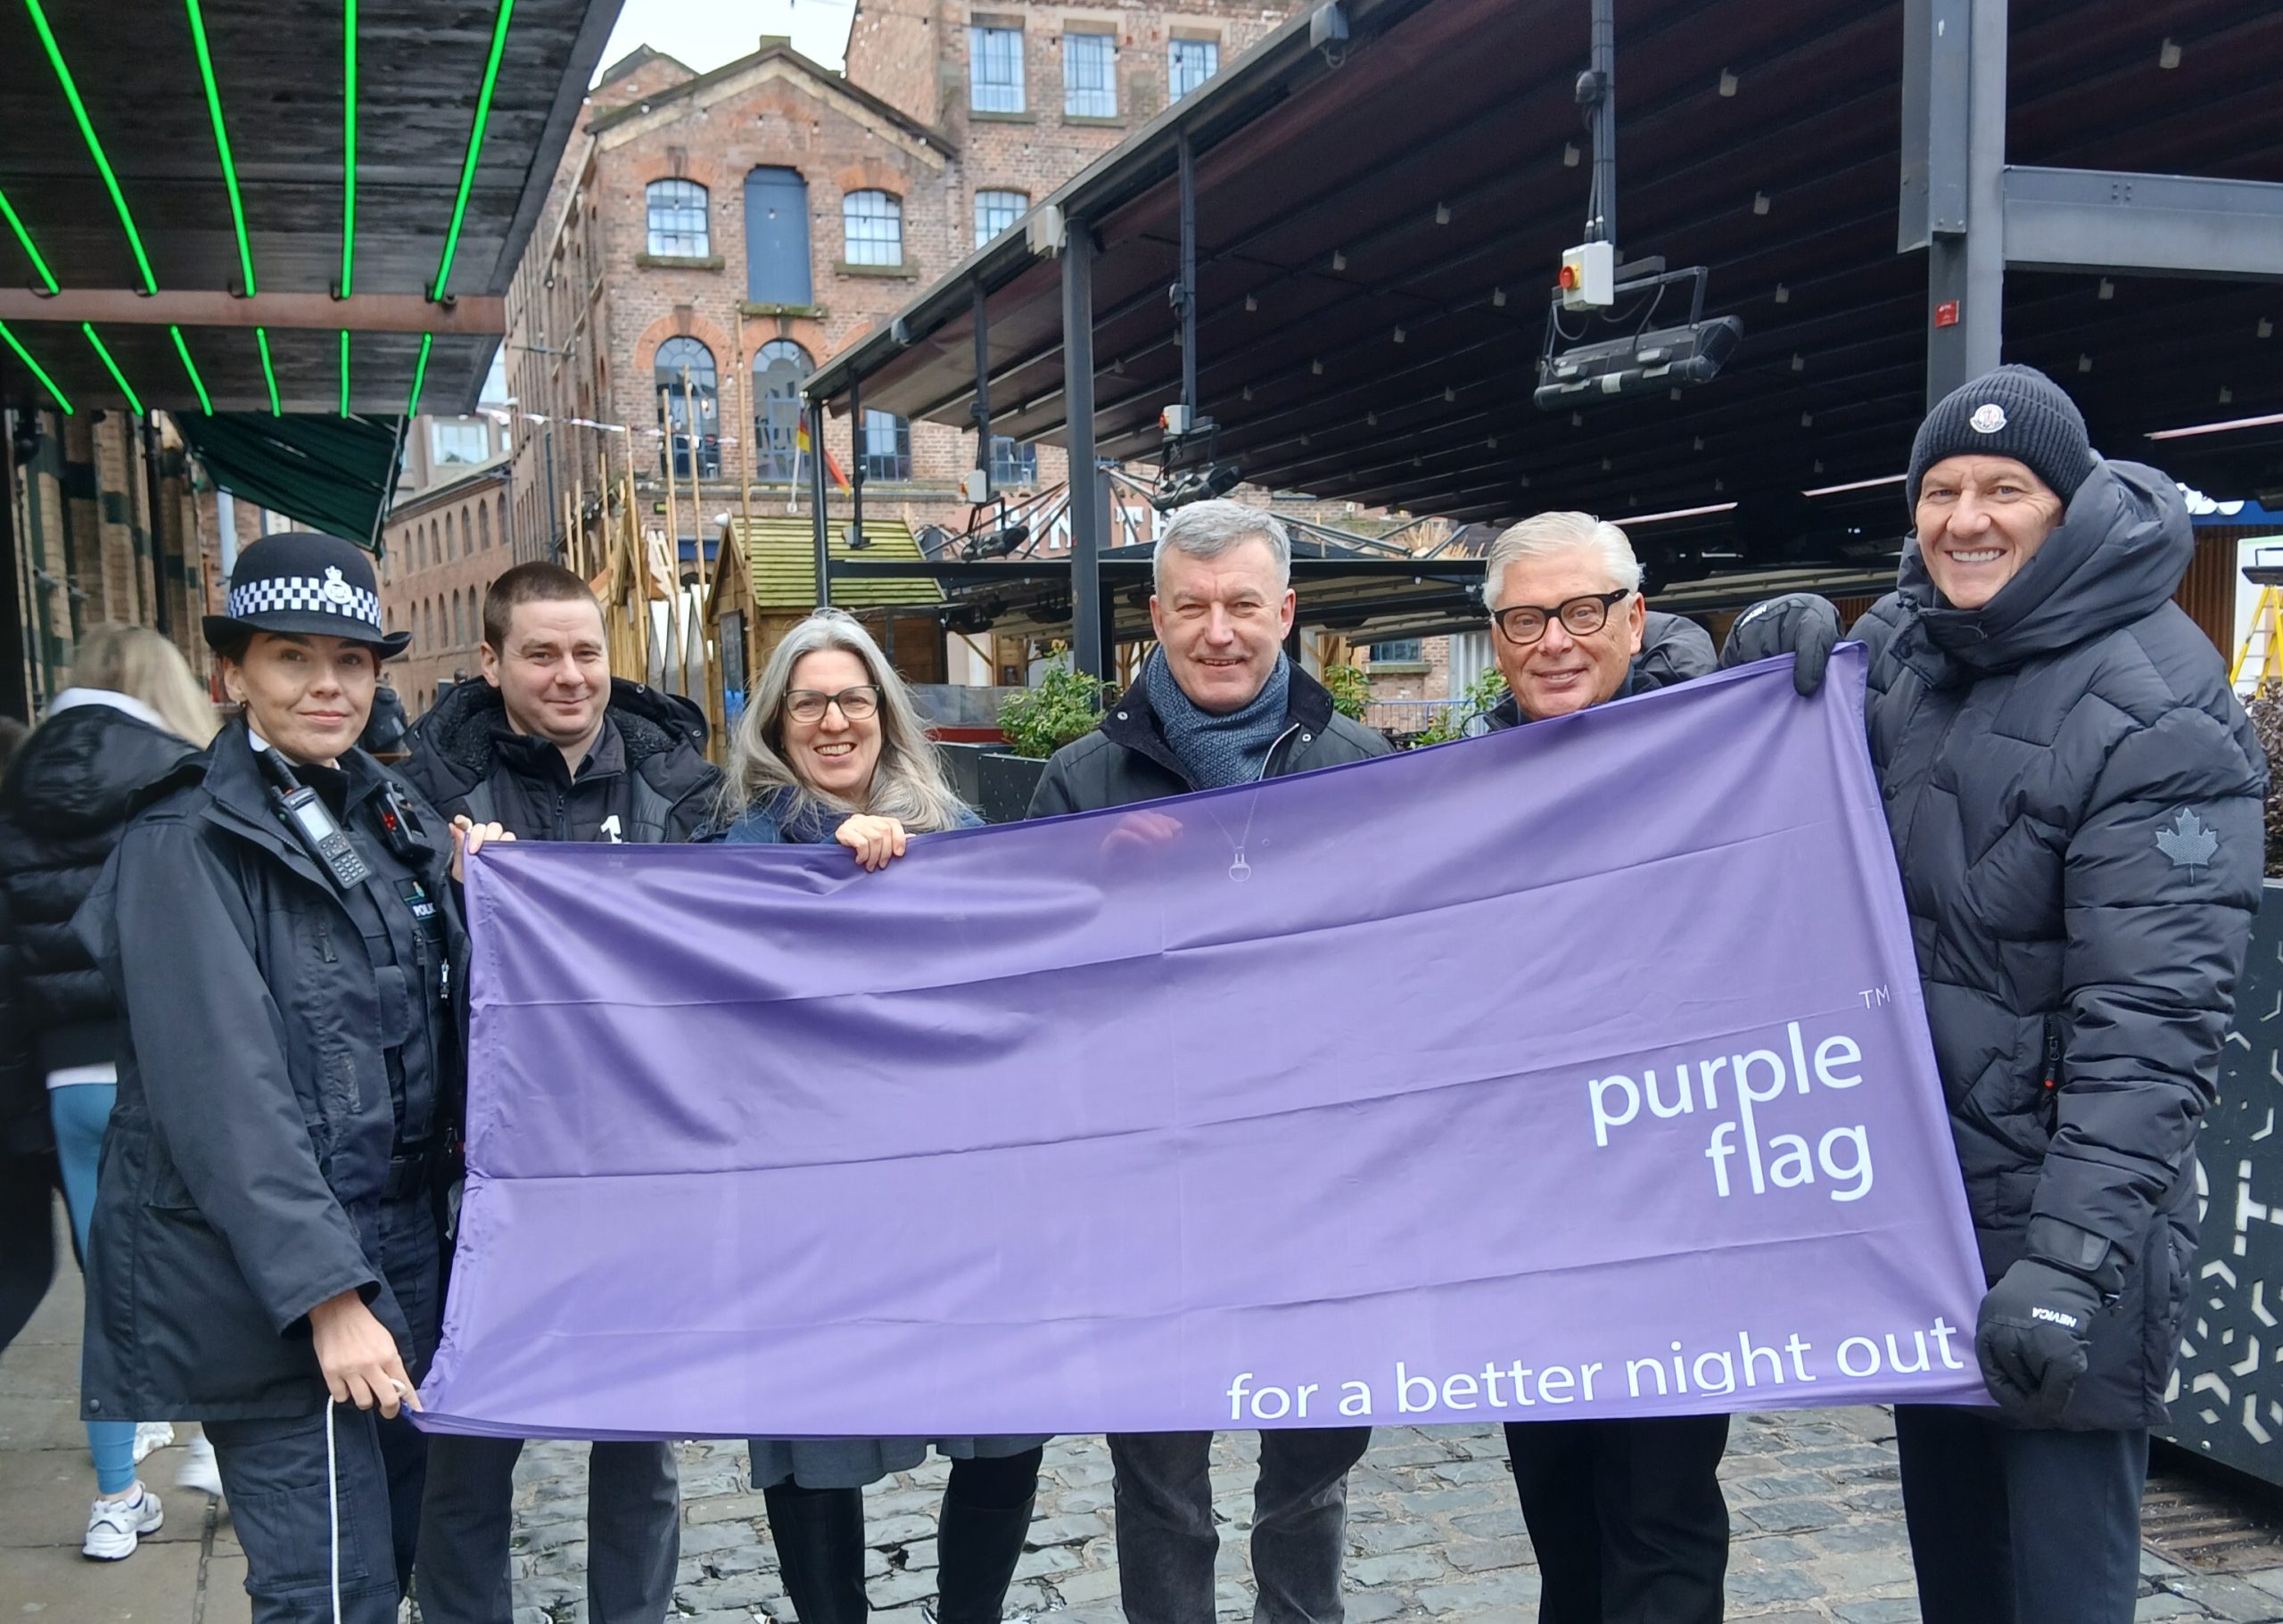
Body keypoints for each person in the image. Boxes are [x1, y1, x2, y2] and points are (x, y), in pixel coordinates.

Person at [1721, 364, 2266, 1623]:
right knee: (1960, 1583)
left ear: (2064, 504)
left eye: (2004, 488)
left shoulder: (2156, 702)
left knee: (2061, 1593)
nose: (1966, 516)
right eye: (1942, 490)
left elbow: (2155, 1028)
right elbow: (1777, 796)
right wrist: (1758, 657)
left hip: (2065, 1238)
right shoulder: (1911, 649)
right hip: (1925, 1220)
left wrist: (2069, 1268)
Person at [74, 532, 508, 1624]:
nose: (328, 684)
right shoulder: (186, 840)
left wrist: (486, 898)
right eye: (291, 658)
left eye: (352, 661)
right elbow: (223, 1100)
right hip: (269, 1285)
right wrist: (327, 1295)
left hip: (404, 1247)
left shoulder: (388, 814)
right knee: (331, 1588)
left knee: (396, 1557)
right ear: (232, 675)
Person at [1026, 500, 1388, 1624]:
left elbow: (1407, 972)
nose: (1218, 630)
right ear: (1155, 617)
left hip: (1320, 1182)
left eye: (1242, 605)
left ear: (1286, 612)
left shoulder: (1364, 768)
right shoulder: (1079, 786)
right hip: (1149, 1192)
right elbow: (1027, 1001)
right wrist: (1099, 898)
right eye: (1192, 606)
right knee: (1162, 1482)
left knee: (1312, 1475)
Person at [707, 607, 1044, 1622]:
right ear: (775, 722)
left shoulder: (964, 842)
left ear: (886, 714)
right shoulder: (735, 855)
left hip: (960, 1194)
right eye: (807, 703)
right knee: (814, 1437)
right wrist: (815, 854)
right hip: (810, 1209)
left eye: (853, 698)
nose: (833, 721)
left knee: (1009, 1420)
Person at [404, 563, 711, 1624]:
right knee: (471, 1443)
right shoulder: (423, 798)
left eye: (585, 650)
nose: (569, 674)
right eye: (540, 653)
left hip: (644, 1166)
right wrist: (444, 898)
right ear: (489, 663)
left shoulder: (683, 789)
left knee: (639, 1448)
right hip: (489, 1172)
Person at [1471, 515, 1730, 1624]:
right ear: (1495, 638)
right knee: (1562, 1520)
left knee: (1660, 1521)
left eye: (1581, 612)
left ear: (1633, 616)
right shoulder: (1462, 790)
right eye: (1525, 619)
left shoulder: (1722, 758)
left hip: (1677, 1214)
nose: (1555, 642)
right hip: (1534, 1222)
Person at [0, 629, 224, 1556]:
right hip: (160, 1058)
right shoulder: (178, 768)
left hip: (64, 1071)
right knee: (208, 1263)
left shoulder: (21, 777)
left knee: (110, 1292)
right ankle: (214, 1444)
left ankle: (113, 1503)